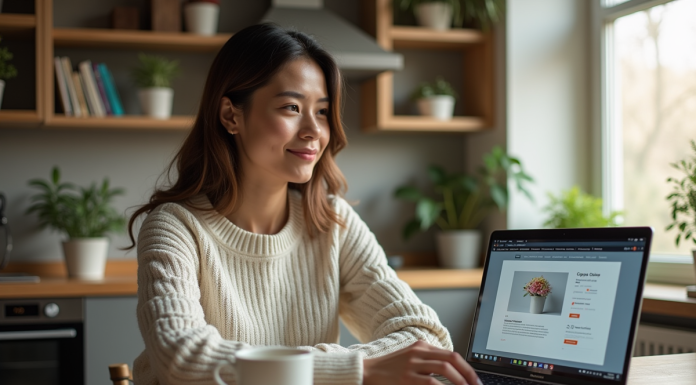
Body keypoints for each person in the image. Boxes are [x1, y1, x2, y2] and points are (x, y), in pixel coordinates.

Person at [127, 23, 481, 385]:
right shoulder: (174, 226)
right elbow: (183, 357)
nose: (314, 130)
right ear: (231, 116)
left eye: (323, 111)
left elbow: (425, 335)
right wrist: (360, 368)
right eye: (292, 107)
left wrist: (336, 368)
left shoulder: (331, 220)